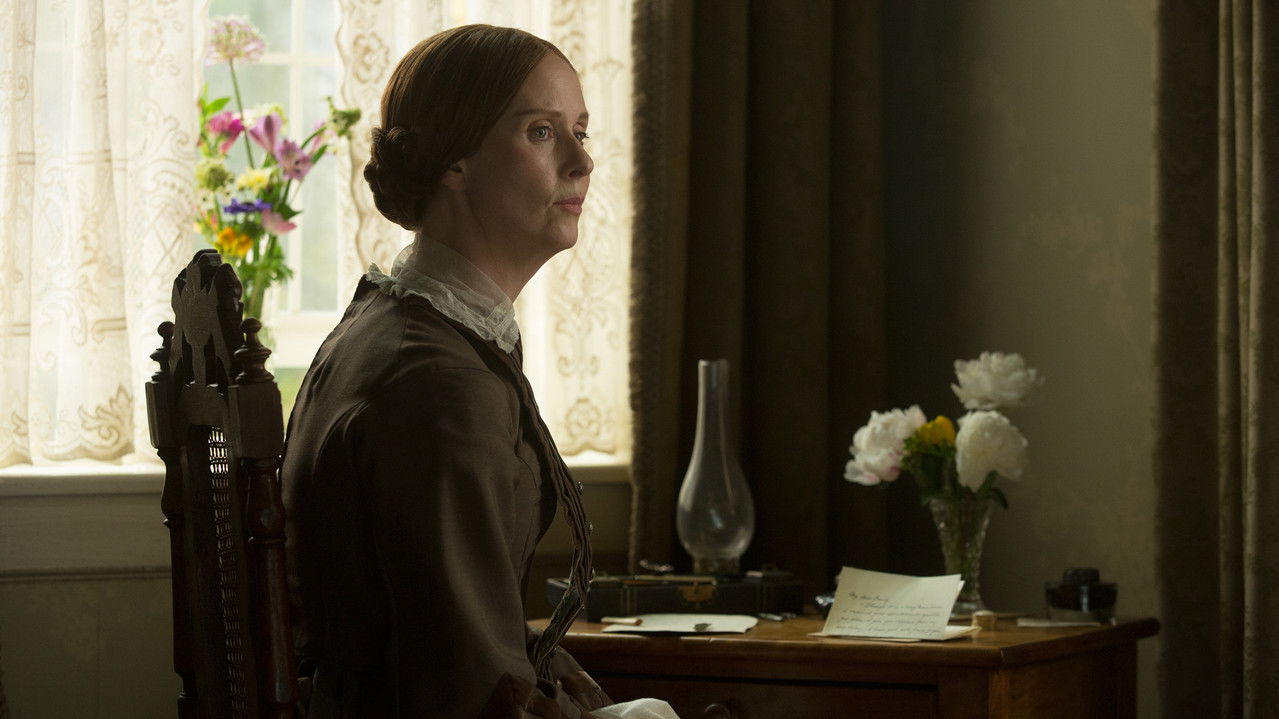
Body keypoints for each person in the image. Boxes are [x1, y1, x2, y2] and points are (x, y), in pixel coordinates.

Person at [282, 25, 674, 718]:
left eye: (580, 131)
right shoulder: (436, 381)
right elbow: (469, 690)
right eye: (541, 132)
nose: (583, 161)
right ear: (452, 161)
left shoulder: (398, 327)